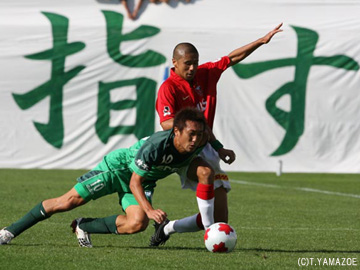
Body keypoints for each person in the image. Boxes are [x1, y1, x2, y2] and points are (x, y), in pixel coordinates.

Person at [0, 108, 216, 248]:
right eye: (191, 134)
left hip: (143, 181)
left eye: (199, 134)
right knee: (66, 202)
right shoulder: (156, 146)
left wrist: (221, 149)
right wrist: (150, 210)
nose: (196, 140)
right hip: (117, 170)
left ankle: (84, 225)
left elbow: (142, 181)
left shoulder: (199, 142)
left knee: (136, 223)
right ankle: (9, 232)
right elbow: (134, 182)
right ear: (176, 131)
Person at [150, 23, 283, 246]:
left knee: (220, 219)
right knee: (205, 174)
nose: (192, 68)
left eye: (195, 62)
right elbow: (166, 123)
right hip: (183, 148)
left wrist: (260, 41)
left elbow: (231, 58)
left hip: (206, 145)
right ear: (174, 63)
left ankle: (169, 228)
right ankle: (209, 235)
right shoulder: (169, 87)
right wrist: (195, 131)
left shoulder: (206, 74)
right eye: (187, 64)